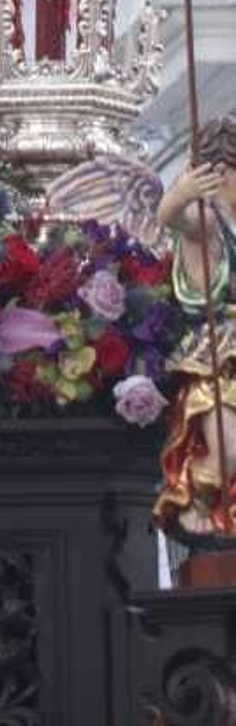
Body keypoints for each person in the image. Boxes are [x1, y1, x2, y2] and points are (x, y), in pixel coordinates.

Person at [153, 115, 236, 539]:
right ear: (219, 175)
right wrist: (182, 192)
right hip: (216, 359)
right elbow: (169, 216)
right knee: (227, 451)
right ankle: (194, 503)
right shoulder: (207, 225)